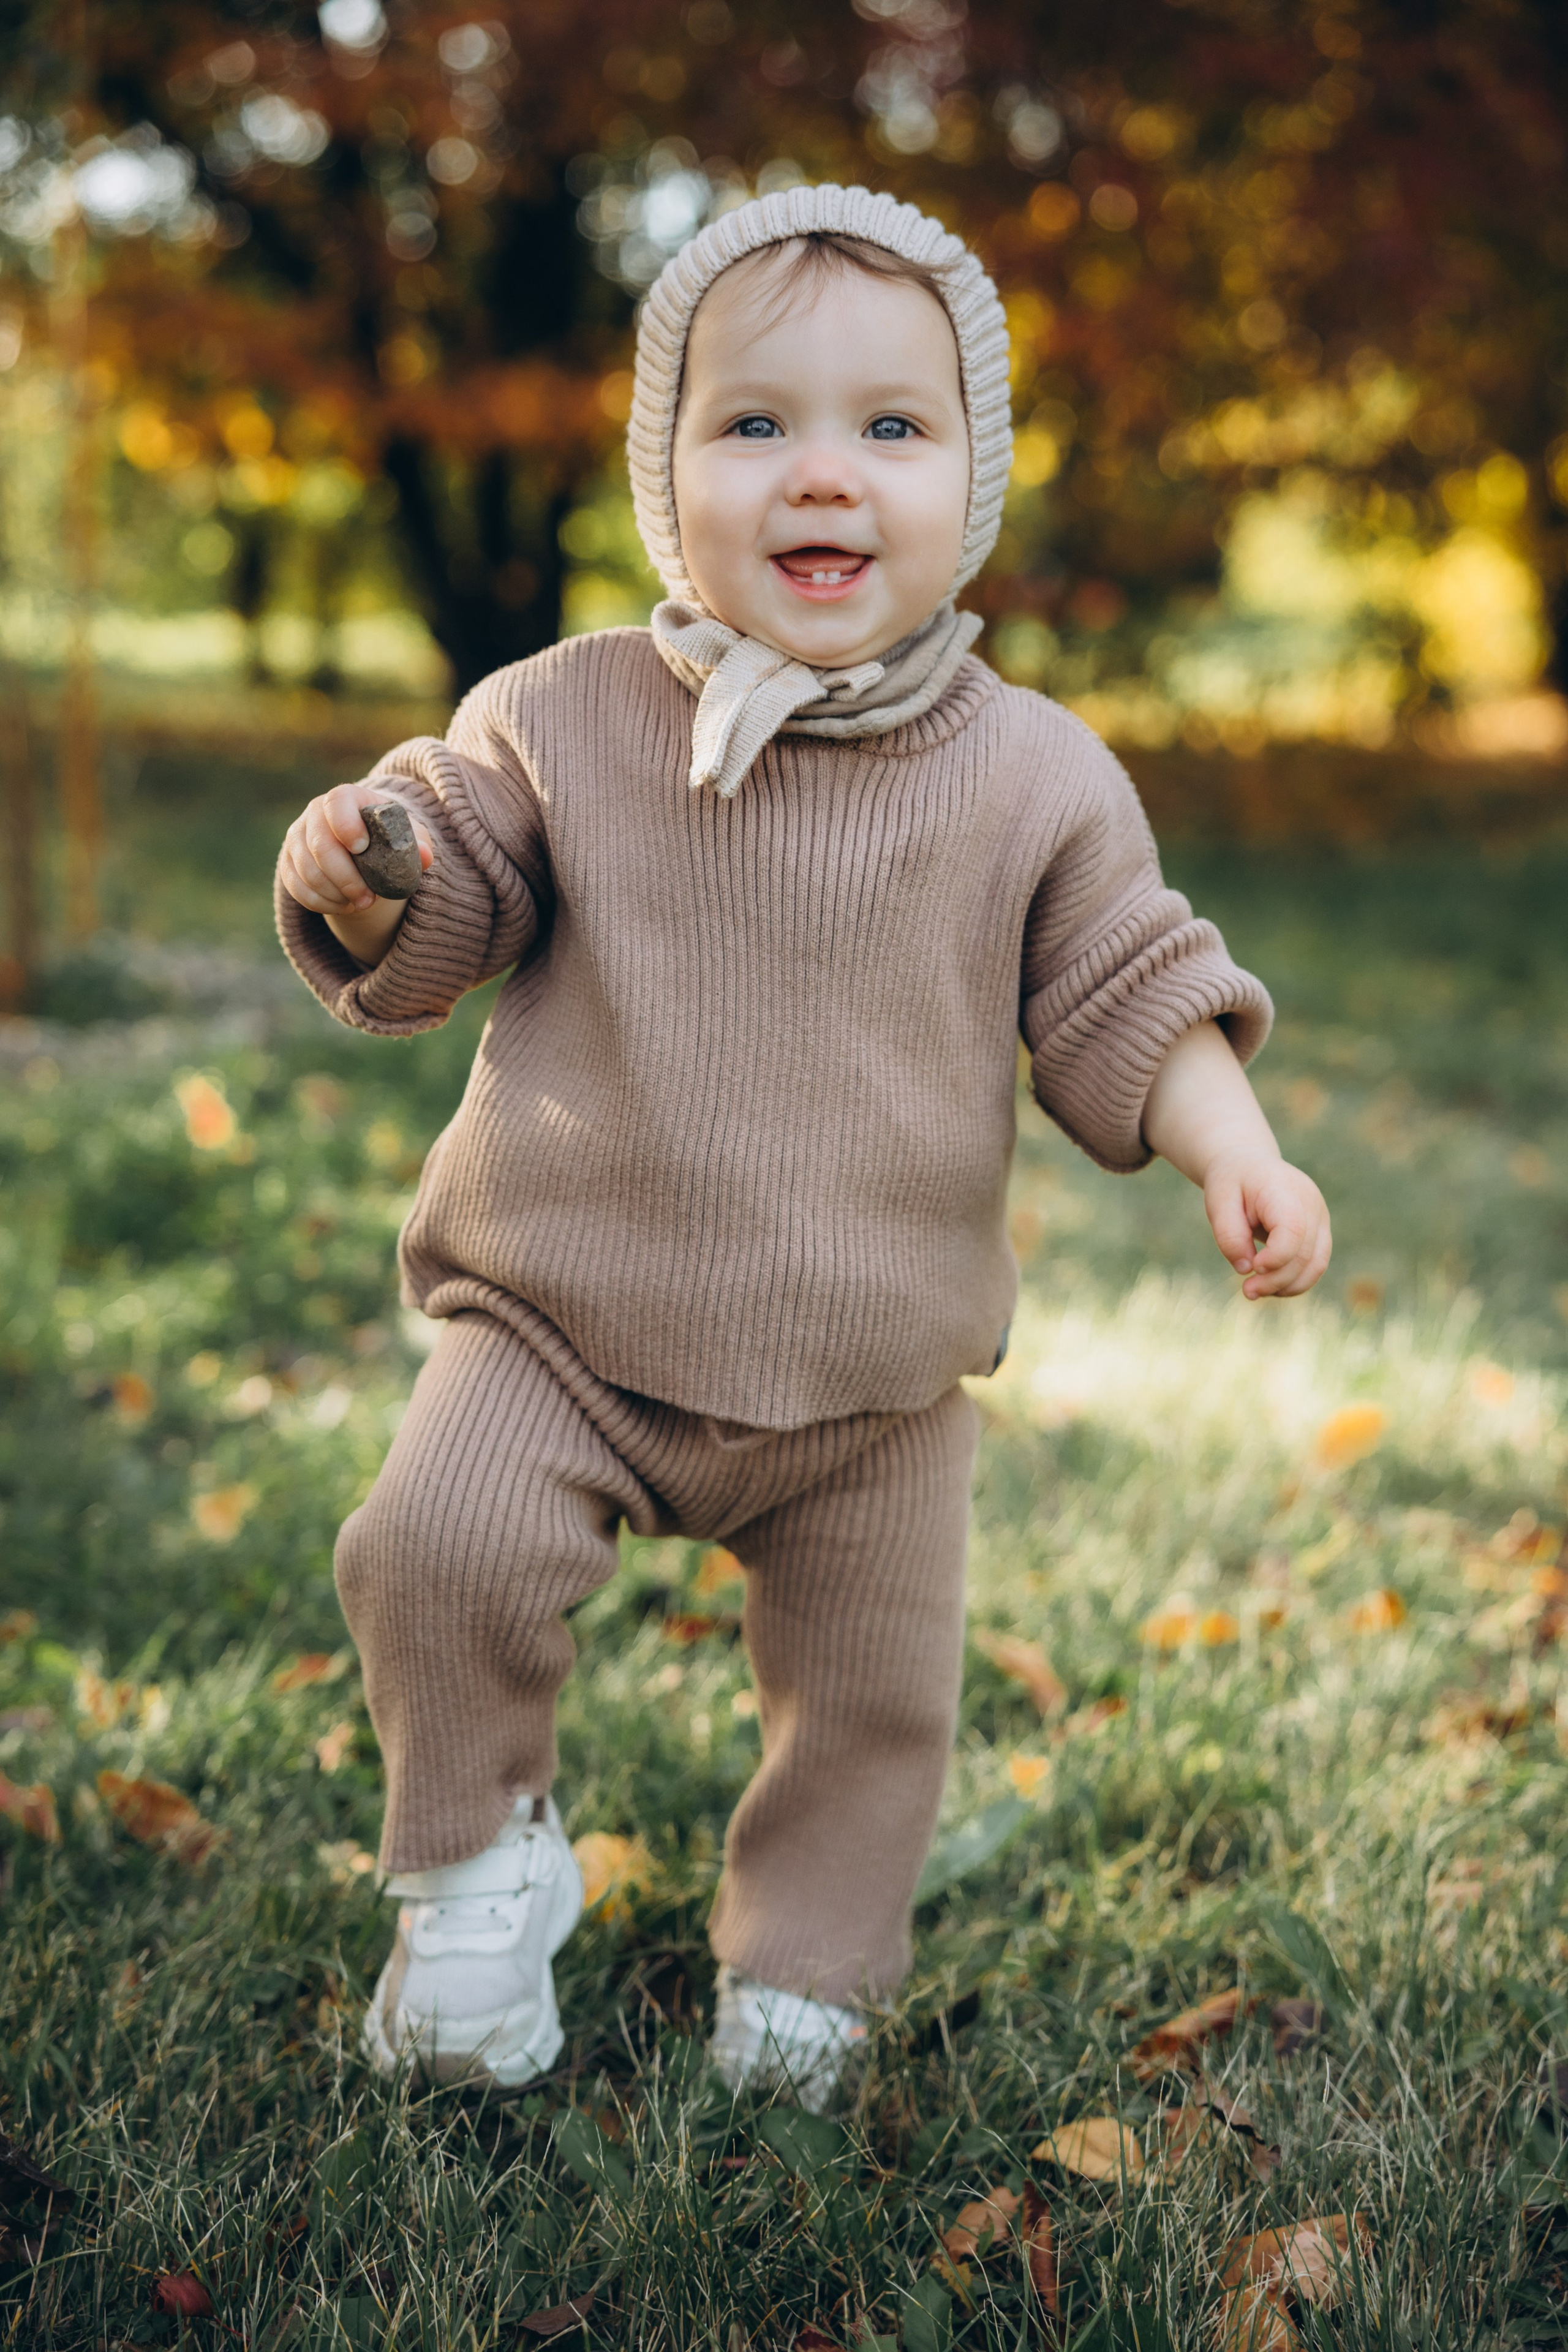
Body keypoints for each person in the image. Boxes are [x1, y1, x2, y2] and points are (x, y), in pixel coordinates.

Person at [276, 184, 1330, 2109]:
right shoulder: (561, 715)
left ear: (971, 484)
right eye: (754, 424)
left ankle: (806, 1980)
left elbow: (1128, 982)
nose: (821, 475)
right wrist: (370, 873)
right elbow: (450, 892)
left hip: (869, 1378)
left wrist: (1229, 1143)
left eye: (890, 429)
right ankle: (473, 1874)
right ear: (667, 476)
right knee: (432, 1546)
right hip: (563, 1328)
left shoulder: (1032, 776)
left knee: (870, 1702)